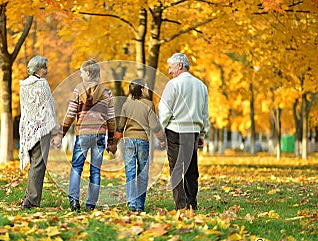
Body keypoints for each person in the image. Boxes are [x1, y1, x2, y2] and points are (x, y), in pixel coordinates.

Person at [53, 60, 115, 212]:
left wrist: (61, 134)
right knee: (95, 169)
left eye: (81, 72)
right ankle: (91, 204)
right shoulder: (107, 92)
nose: (80, 75)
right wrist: (112, 141)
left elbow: (70, 114)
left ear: (88, 73)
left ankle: (74, 201)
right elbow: (111, 119)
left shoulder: (78, 90)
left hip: (83, 134)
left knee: (76, 168)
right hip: (100, 135)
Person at [158, 53, 209, 211]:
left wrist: (160, 131)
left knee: (176, 169)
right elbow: (204, 114)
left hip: (174, 130)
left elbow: (164, 111)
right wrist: (202, 133)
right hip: (193, 131)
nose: (169, 71)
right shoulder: (201, 86)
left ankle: (181, 206)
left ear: (180, 65)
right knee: (191, 169)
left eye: (171, 67)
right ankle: (191, 203)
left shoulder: (173, 85)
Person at [115, 78, 165, 212]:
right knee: (142, 173)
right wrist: (161, 139)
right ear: (142, 89)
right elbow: (154, 125)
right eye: (146, 87)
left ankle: (131, 203)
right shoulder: (148, 104)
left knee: (130, 172)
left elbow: (120, 126)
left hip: (129, 141)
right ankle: (140, 205)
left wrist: (114, 143)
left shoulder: (126, 105)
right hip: (143, 140)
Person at [19, 55, 59, 209]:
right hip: (42, 129)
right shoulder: (42, 85)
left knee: (34, 163)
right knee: (39, 164)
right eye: (44, 68)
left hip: (28, 128)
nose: (47, 71)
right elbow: (48, 110)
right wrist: (55, 131)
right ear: (37, 69)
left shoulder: (24, 85)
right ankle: (32, 200)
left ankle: (28, 195)